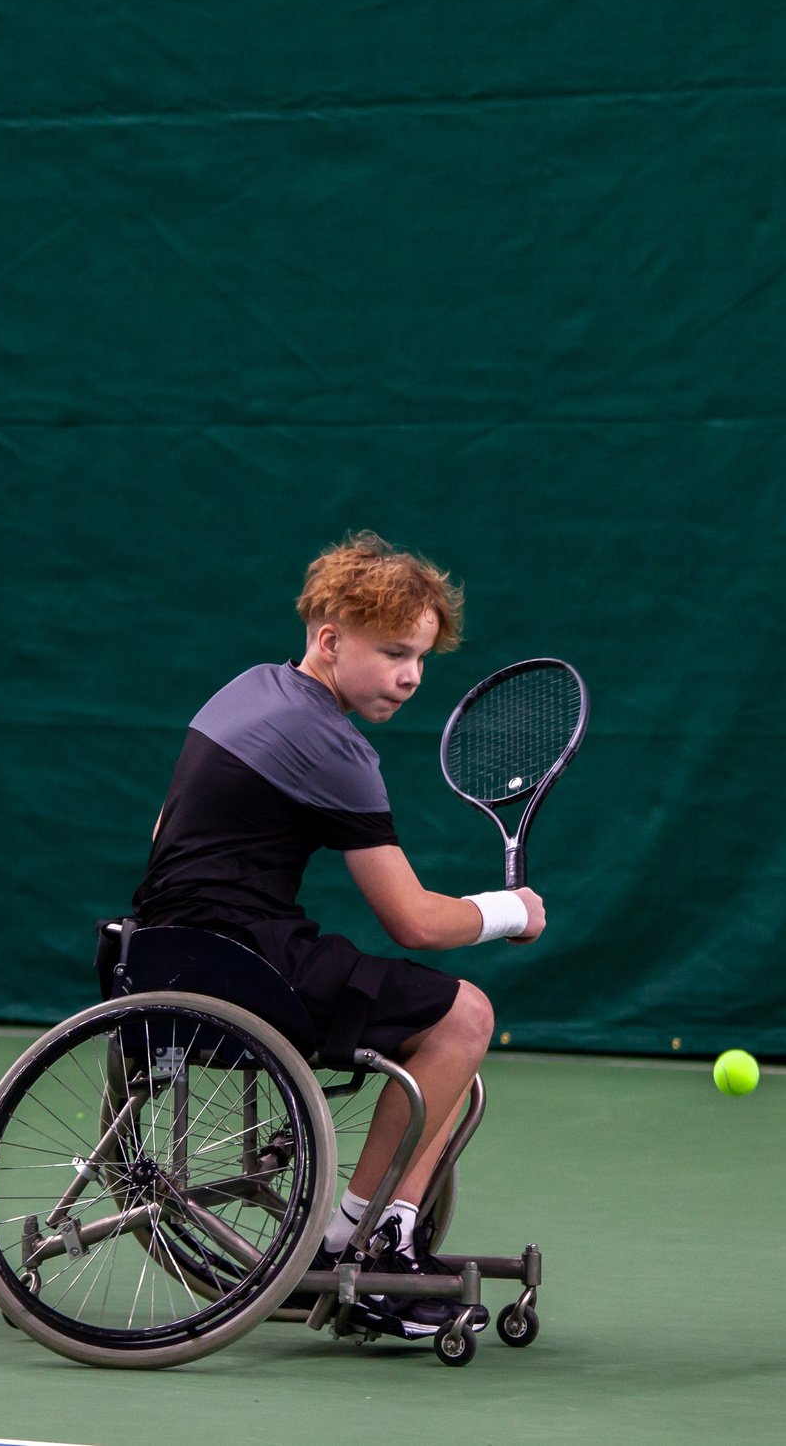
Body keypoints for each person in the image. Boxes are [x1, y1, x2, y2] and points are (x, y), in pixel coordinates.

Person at [131, 531, 546, 1338]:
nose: (411, 676)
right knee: (463, 1014)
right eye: (394, 651)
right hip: (238, 963)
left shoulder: (247, 689)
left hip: (160, 946)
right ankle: (364, 1236)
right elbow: (415, 920)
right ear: (329, 639)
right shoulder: (330, 743)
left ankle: (363, 1231)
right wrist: (511, 912)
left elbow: (162, 828)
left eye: (422, 658)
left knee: (403, 995)